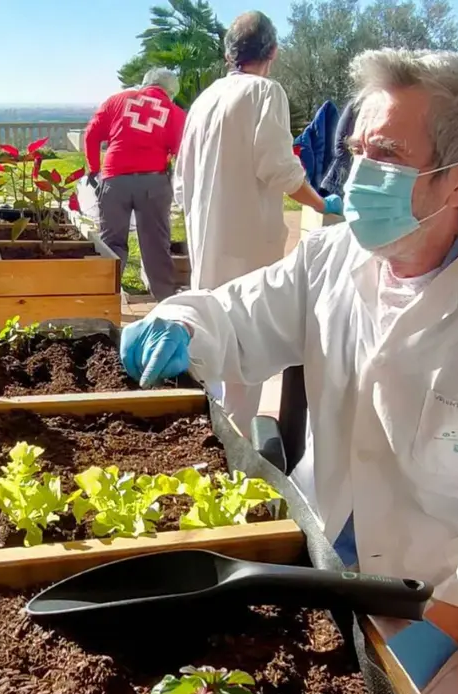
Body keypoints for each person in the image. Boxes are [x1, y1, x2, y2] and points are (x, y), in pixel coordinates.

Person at [123, 48, 458, 694]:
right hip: (338, 544)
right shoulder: (331, 259)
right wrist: (181, 322)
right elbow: (235, 313)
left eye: (387, 154)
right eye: (357, 149)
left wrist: (452, 612)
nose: (360, 173)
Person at [172, 11, 342, 435]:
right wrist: (322, 204)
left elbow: (182, 177)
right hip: (246, 241)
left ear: (229, 53)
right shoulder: (266, 92)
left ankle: (208, 430)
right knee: (247, 338)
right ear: (273, 51)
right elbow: (278, 168)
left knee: (209, 331)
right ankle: (238, 442)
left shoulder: (205, 99)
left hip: (206, 237)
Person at [83, 67, 187, 300]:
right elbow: (182, 152)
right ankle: (163, 298)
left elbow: (91, 134)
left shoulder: (116, 101)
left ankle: (105, 297)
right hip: (153, 182)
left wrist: (93, 168)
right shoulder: (174, 112)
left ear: (144, 82)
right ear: (170, 92)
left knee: (111, 242)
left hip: (114, 180)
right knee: (155, 243)